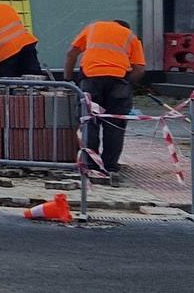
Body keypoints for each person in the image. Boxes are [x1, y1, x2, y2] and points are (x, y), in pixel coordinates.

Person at [63, 19, 146, 186]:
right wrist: (128, 83)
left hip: (90, 79)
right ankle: (110, 167)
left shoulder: (92, 27)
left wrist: (68, 79)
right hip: (118, 81)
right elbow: (139, 68)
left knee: (89, 121)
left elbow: (71, 54)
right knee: (115, 124)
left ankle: (90, 164)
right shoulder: (131, 36)